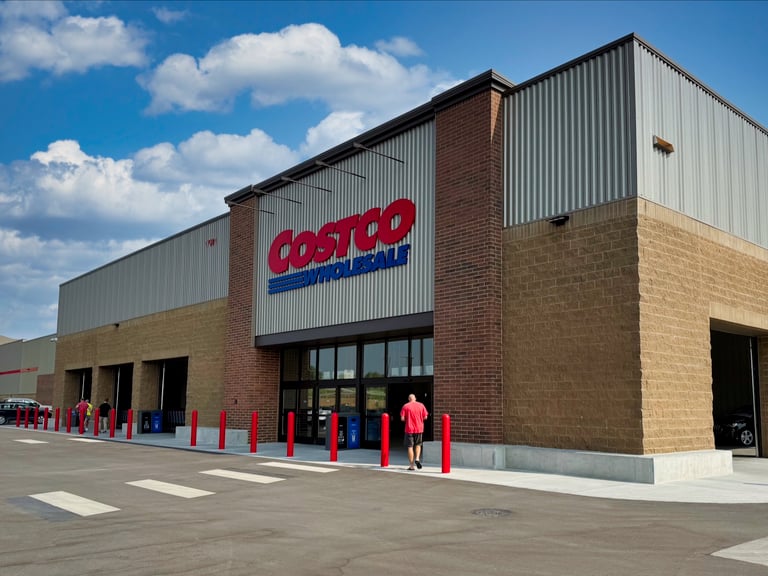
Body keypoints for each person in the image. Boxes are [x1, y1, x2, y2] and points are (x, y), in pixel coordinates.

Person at [400, 393, 428, 470]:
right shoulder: (421, 405)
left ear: (409, 399)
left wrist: (408, 419)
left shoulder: (405, 406)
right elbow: (425, 417)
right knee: (418, 444)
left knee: (410, 446)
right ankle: (417, 459)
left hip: (409, 429)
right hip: (419, 428)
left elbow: (402, 419)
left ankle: (411, 466)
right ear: (415, 398)